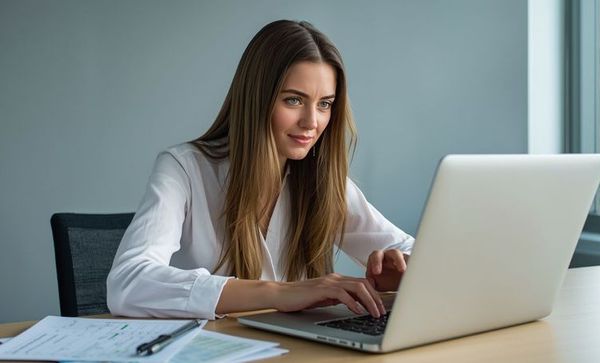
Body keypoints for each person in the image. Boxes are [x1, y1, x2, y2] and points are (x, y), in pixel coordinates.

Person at [106, 19, 414, 320]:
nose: (312, 122)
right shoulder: (183, 169)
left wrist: (403, 274)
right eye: (294, 100)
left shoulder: (321, 181)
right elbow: (128, 283)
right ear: (257, 99)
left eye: (325, 104)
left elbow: (419, 255)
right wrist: (279, 292)